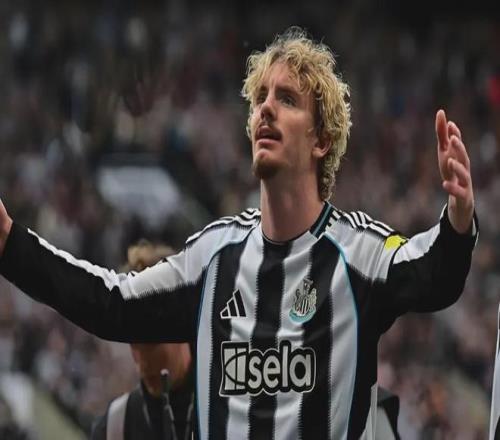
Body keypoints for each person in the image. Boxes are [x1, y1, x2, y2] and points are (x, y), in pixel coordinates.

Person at [0, 27, 477, 439]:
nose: (265, 109)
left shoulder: (358, 253)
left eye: (286, 99)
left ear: (322, 139)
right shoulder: (213, 255)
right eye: (260, 98)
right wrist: (9, 241)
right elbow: (110, 302)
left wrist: (457, 216)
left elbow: (434, 276)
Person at [91, 241, 194, 440]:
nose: (142, 361)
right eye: (134, 344)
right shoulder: (114, 428)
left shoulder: (234, 405)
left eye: (151, 343)